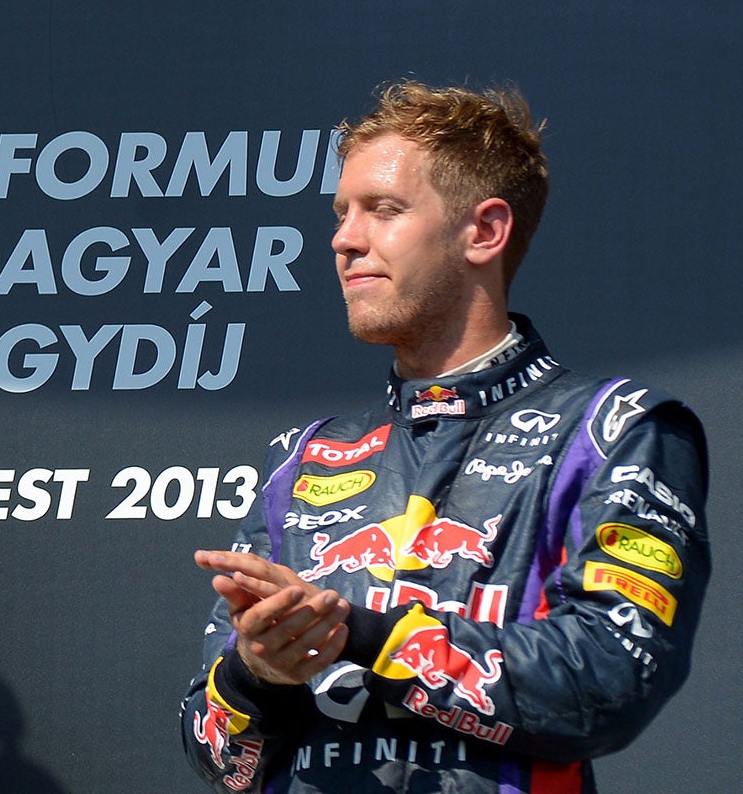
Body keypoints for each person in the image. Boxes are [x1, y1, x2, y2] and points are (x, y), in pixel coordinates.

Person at [180, 82, 709, 793]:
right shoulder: (299, 460)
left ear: (484, 232)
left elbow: (612, 682)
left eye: (383, 210)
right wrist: (260, 674)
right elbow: (216, 758)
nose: (344, 238)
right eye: (341, 214)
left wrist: (361, 637)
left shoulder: (615, 430)